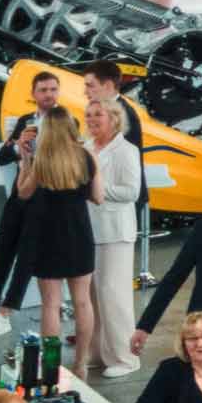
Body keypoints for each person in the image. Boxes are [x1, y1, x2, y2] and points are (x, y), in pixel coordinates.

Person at [10, 91, 92, 369]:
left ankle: (52, 366)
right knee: (82, 303)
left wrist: (25, 162)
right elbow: (99, 196)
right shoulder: (85, 157)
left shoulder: (42, 160)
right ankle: (81, 362)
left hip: (48, 238)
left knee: (51, 305)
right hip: (80, 235)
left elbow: (22, 193)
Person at [73, 89, 143, 378]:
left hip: (115, 232)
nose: (91, 119)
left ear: (114, 119)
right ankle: (99, 354)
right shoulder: (86, 147)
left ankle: (125, 359)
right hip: (89, 229)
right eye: (88, 115)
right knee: (92, 296)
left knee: (114, 297)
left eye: (97, 114)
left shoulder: (126, 151)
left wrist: (98, 190)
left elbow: (132, 192)